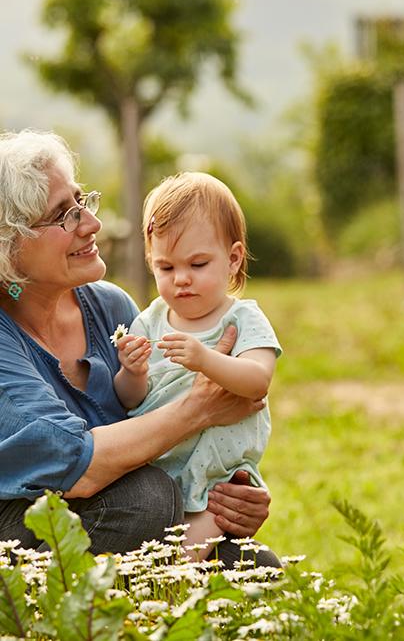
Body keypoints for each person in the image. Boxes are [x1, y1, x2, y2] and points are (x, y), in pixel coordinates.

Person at [0, 130, 277, 568]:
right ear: (9, 245)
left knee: (257, 567)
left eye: (81, 202)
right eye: (64, 216)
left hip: (146, 517)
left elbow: (150, 407)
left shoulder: (110, 306)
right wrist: (200, 407)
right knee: (146, 498)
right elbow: (78, 466)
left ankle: (150, 602)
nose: (91, 224)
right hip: (25, 527)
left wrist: (232, 495)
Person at [114, 172, 281, 560]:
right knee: (152, 547)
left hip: (217, 476)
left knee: (179, 558)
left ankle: (167, 597)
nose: (182, 280)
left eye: (198, 264)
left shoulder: (242, 319)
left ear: (233, 258)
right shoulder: (150, 320)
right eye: (166, 268)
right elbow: (128, 400)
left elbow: (257, 381)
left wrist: (206, 359)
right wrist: (133, 372)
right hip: (161, 464)